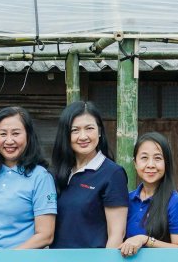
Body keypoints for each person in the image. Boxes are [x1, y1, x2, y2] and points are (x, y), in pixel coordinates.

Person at [0, 106, 57, 252]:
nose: (9, 140)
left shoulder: (40, 177)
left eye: (16, 133)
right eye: (2, 134)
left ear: (28, 136)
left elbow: (45, 235)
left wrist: (6, 257)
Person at [49, 100, 129, 249]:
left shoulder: (112, 173)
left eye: (89, 128)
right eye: (75, 130)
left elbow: (117, 233)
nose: (83, 136)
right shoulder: (55, 173)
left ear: (99, 132)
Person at [120, 132, 178, 254]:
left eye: (158, 158)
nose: (150, 165)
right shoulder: (125, 200)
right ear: (135, 163)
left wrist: (145, 240)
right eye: (144, 158)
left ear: (166, 163)